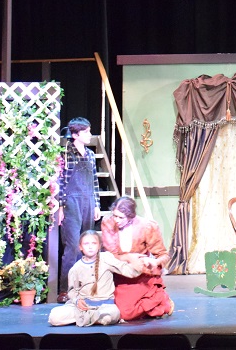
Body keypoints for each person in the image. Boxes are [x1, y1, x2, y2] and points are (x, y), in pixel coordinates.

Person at [99, 196, 175, 320]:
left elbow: (163, 255)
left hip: (140, 274)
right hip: (118, 272)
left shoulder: (147, 226)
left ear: (131, 217)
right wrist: (129, 257)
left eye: (121, 217)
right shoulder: (108, 222)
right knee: (115, 310)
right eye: (115, 215)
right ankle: (152, 306)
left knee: (126, 313)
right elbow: (110, 254)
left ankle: (161, 299)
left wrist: (154, 262)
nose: (116, 220)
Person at [47, 230, 143, 327]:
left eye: (94, 243)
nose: (90, 247)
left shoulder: (106, 258)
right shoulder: (76, 268)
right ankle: (89, 318)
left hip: (104, 307)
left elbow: (127, 270)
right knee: (54, 317)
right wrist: (77, 301)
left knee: (110, 315)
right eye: (86, 244)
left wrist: (139, 265)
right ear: (80, 247)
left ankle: (84, 319)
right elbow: (72, 291)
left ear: (99, 246)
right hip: (83, 307)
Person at [56, 117, 99, 303]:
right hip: (72, 202)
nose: (90, 135)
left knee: (88, 244)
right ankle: (65, 289)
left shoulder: (90, 155)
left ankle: (86, 287)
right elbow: (60, 182)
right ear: (76, 135)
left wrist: (96, 204)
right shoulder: (66, 154)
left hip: (88, 201)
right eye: (86, 132)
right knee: (73, 246)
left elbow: (95, 181)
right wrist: (60, 206)